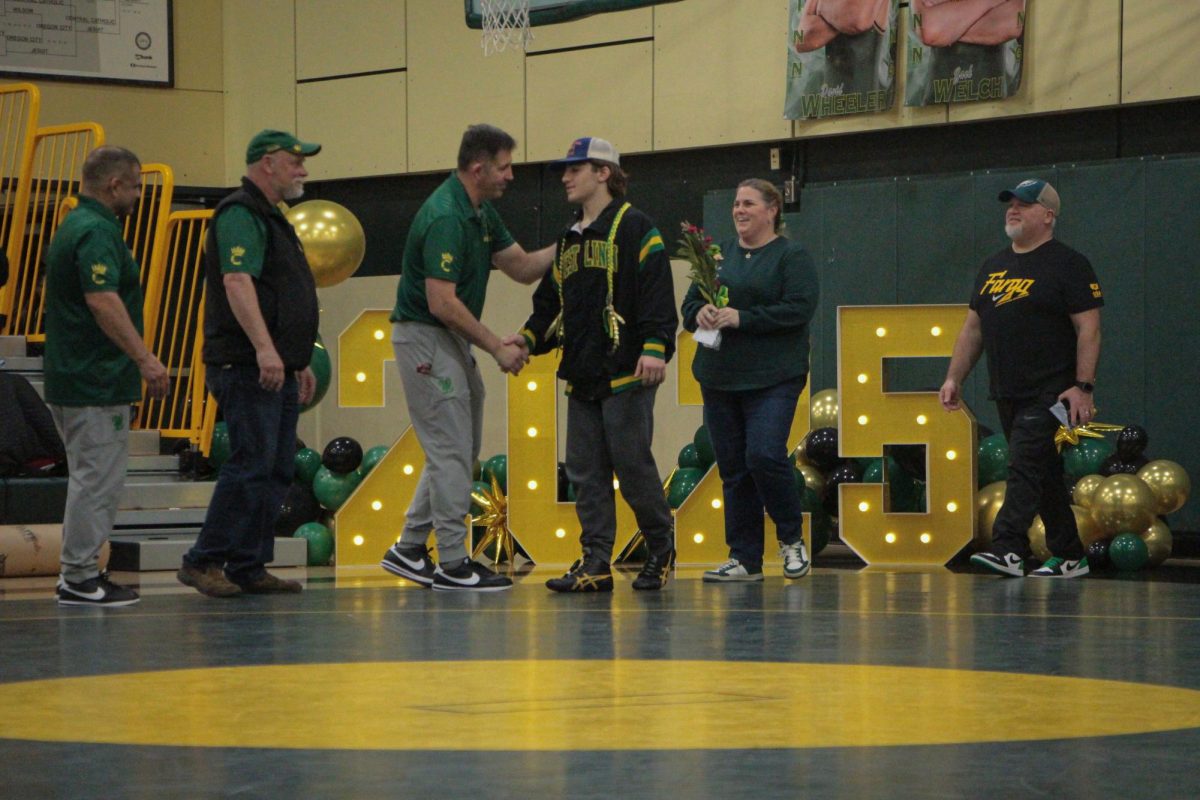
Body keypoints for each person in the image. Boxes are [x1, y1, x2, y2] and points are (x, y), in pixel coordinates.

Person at [380, 123, 553, 592]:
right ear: (478, 169)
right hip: (426, 337)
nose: (511, 176)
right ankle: (453, 563)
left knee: (457, 450)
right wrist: (496, 344)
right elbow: (442, 302)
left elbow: (520, 268)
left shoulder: (479, 212)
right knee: (451, 450)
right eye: (504, 167)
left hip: (446, 340)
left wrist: (572, 243)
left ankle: (410, 547)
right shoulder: (447, 217)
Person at [512, 136, 678, 593]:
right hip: (582, 373)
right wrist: (525, 340)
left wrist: (656, 346)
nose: (565, 178)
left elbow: (658, 296)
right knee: (585, 473)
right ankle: (596, 563)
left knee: (632, 467)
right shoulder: (568, 239)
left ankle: (661, 549)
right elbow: (549, 306)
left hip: (628, 370)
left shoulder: (636, 227)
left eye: (575, 169)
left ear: (604, 173)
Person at [178, 130, 321, 597]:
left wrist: (297, 358)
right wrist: (264, 348)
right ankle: (203, 560)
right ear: (267, 163)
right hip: (245, 365)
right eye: (295, 161)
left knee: (276, 467)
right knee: (249, 463)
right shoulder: (240, 212)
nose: (302, 170)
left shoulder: (274, 218)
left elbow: (283, 294)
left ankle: (248, 563)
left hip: (275, 365)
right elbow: (238, 281)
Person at [940, 179, 1102, 579]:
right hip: (1008, 389)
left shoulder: (1069, 263)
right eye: (1010, 204)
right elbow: (972, 330)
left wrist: (1083, 387)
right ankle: (1069, 554)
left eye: (1025, 205)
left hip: (1054, 390)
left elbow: (1089, 328)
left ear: (1048, 216)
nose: (1013, 210)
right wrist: (954, 377)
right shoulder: (993, 265)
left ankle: (1008, 548)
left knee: (1024, 463)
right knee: (1042, 472)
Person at [44, 145, 169, 606]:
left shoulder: (76, 224)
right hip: (94, 379)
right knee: (97, 481)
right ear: (115, 185)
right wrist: (144, 358)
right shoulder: (96, 231)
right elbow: (102, 300)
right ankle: (78, 576)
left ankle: (78, 573)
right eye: (136, 186)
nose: (138, 195)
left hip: (77, 375)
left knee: (90, 478)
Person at [682, 179, 819, 583]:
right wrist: (700, 313)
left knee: (763, 455)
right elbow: (690, 304)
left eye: (749, 203)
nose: (739, 210)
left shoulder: (791, 256)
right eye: (736, 203)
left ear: (772, 209)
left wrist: (744, 318)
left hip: (773, 377)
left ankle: (791, 539)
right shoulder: (718, 256)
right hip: (720, 376)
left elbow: (799, 308)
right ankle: (744, 558)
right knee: (733, 468)